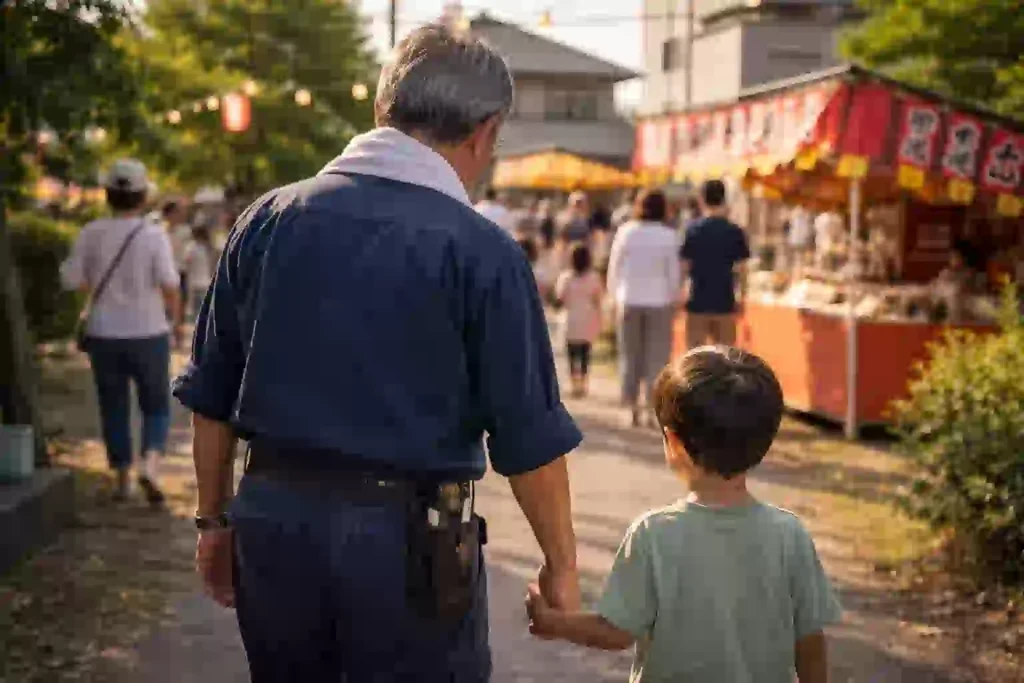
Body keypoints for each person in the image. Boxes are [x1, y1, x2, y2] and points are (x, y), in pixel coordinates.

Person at [172, 25, 582, 681]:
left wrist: (213, 520)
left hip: (273, 520)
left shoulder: (268, 220)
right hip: (409, 541)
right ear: (485, 134)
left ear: (379, 109)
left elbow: (211, 396)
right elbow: (528, 435)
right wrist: (561, 564)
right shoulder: (482, 251)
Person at [526, 346, 842, 683]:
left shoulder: (653, 534)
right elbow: (810, 642)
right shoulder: (790, 535)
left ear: (673, 442)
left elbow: (617, 632)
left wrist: (554, 622)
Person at [60, 159, 182, 504]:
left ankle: (122, 480)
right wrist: (175, 323)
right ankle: (151, 466)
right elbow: (170, 285)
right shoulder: (154, 235)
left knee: (113, 407)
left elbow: (71, 279)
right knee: (156, 405)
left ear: (107, 195)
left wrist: (100, 288)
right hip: (149, 332)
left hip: (104, 334)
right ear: (143, 196)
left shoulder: (90, 232)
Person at [606, 189, 681, 428]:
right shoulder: (669, 236)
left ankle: (630, 408)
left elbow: (614, 268)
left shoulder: (626, 231)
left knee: (630, 357)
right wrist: (675, 299)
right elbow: (673, 273)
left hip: (628, 299)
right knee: (657, 359)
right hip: (659, 302)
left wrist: (613, 298)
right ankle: (651, 408)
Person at [681, 179, 750, 349]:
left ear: (702, 199)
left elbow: (684, 267)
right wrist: (742, 297)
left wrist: (681, 294)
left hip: (697, 300)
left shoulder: (693, 230)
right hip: (725, 301)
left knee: (695, 358)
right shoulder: (735, 231)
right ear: (724, 199)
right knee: (725, 357)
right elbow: (742, 269)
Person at [555, 243, 603, 398]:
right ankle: (583, 383)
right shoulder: (594, 277)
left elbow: (559, 299)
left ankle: (574, 383)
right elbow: (598, 299)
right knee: (585, 354)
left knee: (572, 354)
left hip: (570, 320)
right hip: (588, 319)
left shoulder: (565, 277)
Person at [181, 224, 217, 319]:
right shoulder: (209, 248)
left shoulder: (191, 247)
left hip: (194, 284)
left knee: (195, 313)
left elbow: (186, 263)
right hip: (206, 283)